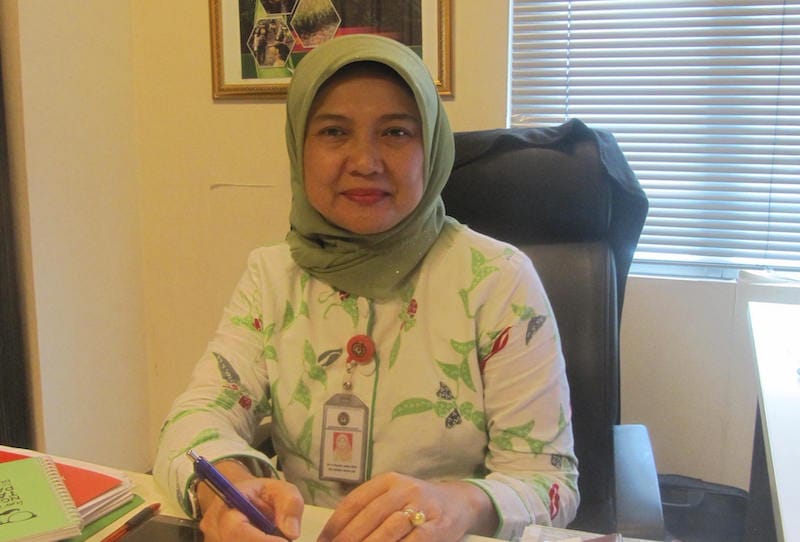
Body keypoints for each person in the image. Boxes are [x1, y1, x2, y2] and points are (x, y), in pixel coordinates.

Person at [153, 34, 579, 542]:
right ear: (298, 147)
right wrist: (229, 489)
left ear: (432, 148)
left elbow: (549, 482)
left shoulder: (497, 280)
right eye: (334, 131)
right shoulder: (272, 275)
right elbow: (195, 418)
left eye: (396, 132)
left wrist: (459, 504)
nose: (364, 161)